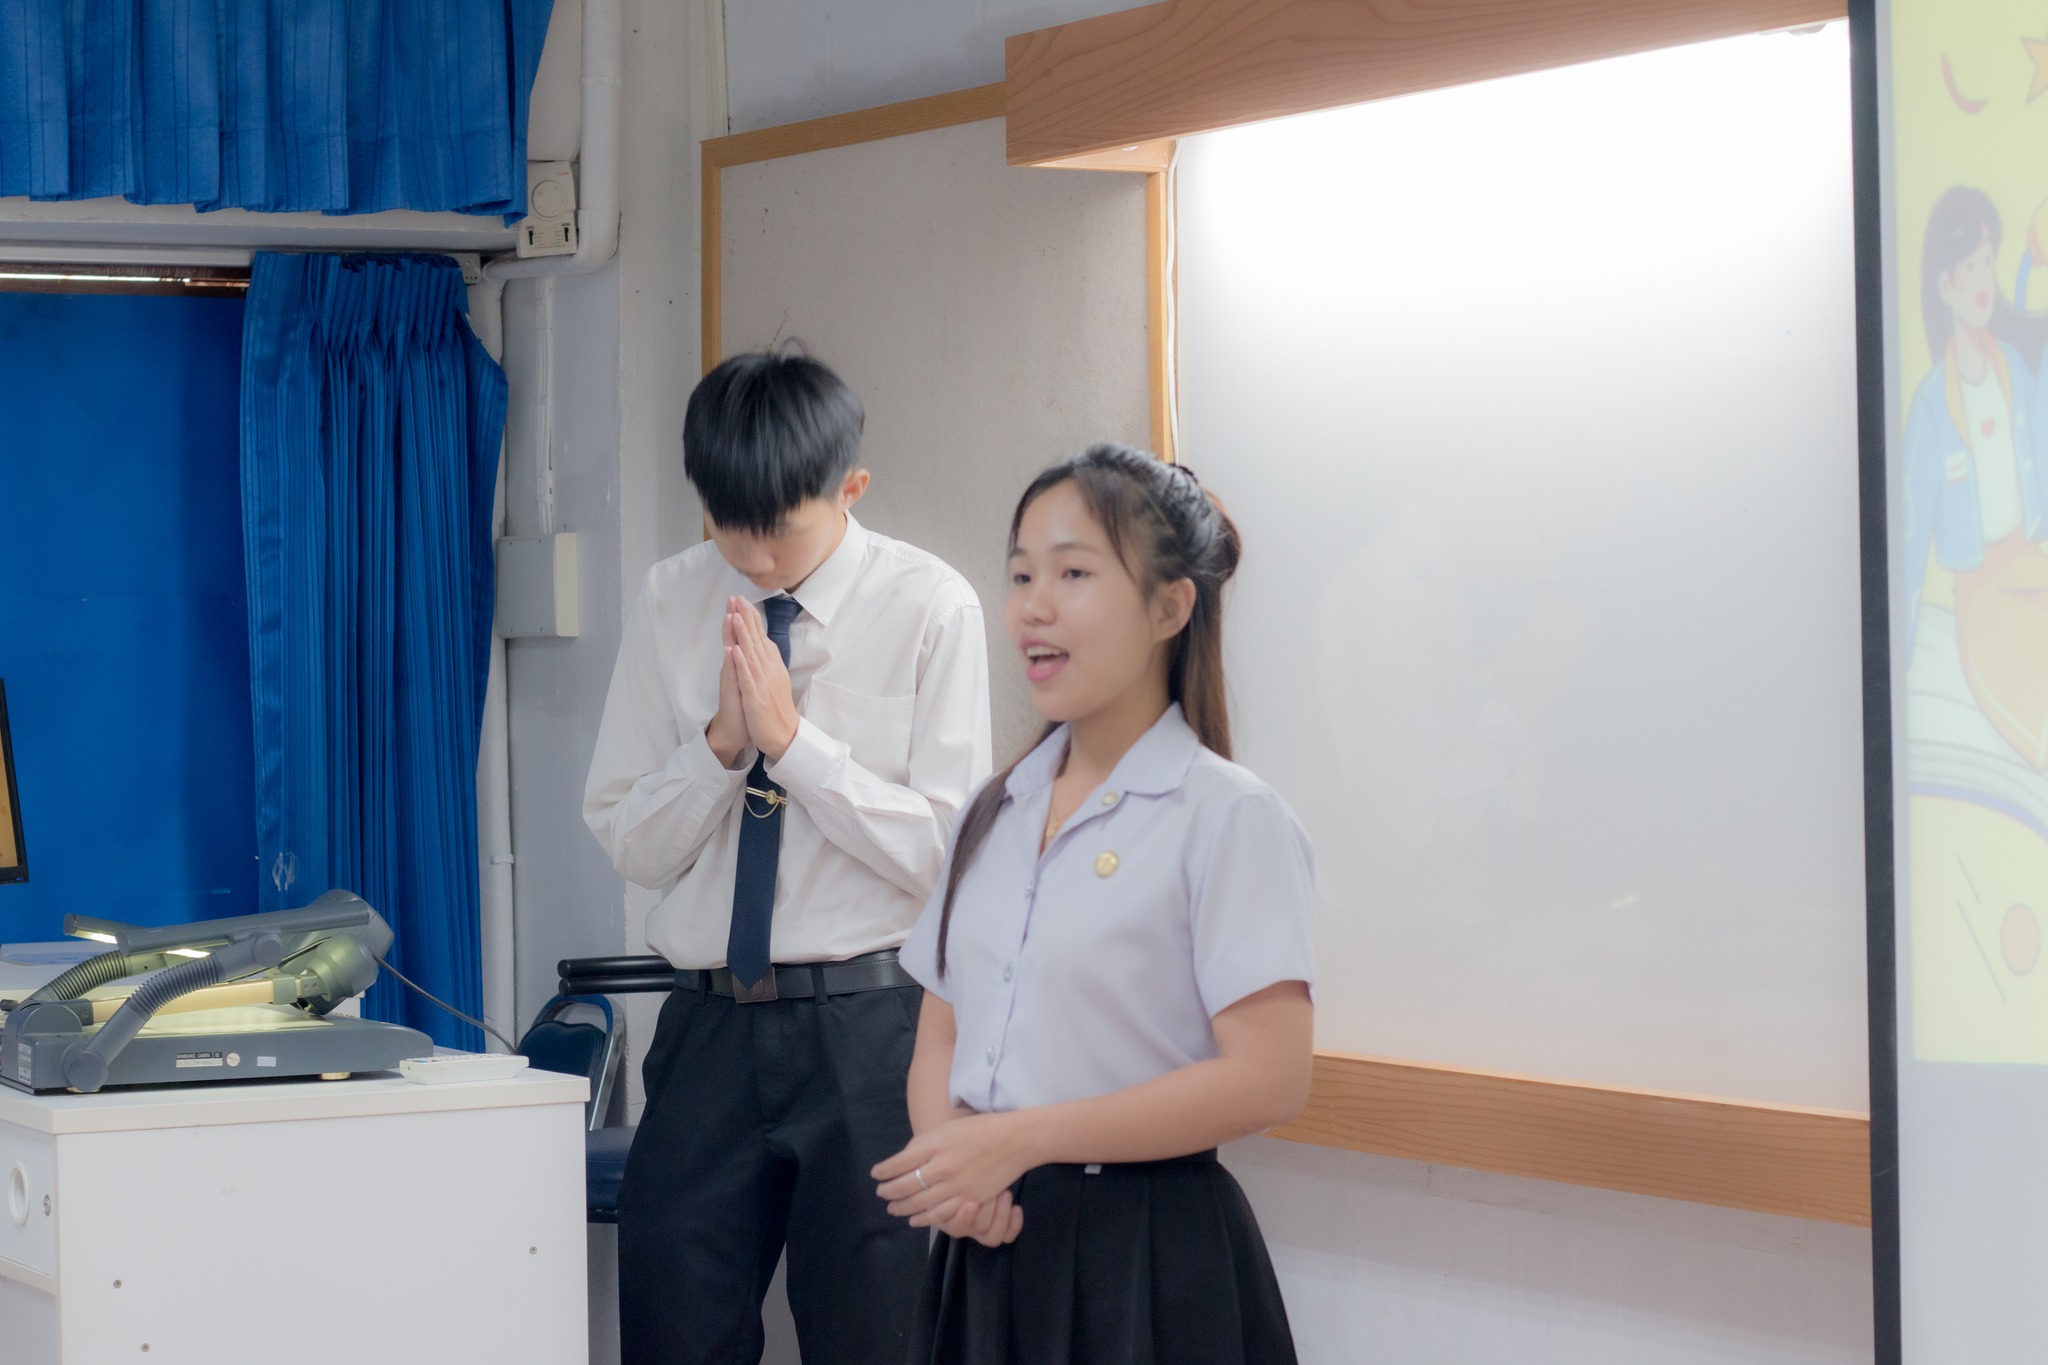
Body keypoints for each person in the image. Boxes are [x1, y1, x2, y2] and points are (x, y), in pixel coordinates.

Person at [583, 345, 992, 1364]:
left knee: (875, 1338)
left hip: (870, 1029)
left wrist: (795, 747)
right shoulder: (671, 598)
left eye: (779, 528)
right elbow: (629, 839)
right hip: (707, 1028)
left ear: (851, 487)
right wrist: (721, 748)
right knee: (672, 1333)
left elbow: (947, 855)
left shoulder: (931, 605)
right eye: (728, 525)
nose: (755, 558)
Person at [875, 443, 1315, 1364]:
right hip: (988, 1241)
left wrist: (1020, 1140)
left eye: (1073, 573)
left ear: (1169, 607)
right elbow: (940, 1035)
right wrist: (956, 1166)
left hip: (1148, 1258)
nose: (1033, 605)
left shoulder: (1227, 814)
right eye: (1022, 574)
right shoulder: (993, 810)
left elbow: (1269, 1077)